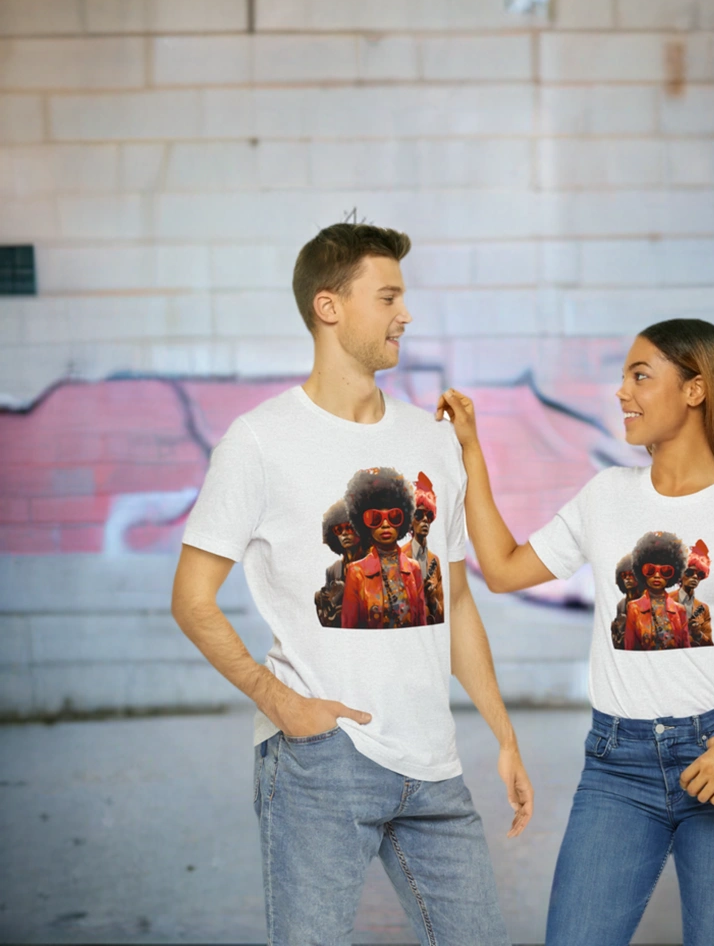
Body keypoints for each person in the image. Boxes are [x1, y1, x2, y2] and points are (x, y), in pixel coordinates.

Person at [437, 317, 714, 946]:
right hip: (617, 769)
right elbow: (500, 569)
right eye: (623, 377)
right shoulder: (606, 496)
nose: (621, 392)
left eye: (641, 375)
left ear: (695, 390)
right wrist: (470, 449)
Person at [171, 223, 532, 946]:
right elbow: (191, 598)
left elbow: (453, 598)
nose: (406, 314)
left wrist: (502, 732)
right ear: (329, 306)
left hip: (434, 763)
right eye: (389, 295)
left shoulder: (432, 440)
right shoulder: (261, 440)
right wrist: (287, 706)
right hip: (320, 762)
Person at [340, 466, 427, 629]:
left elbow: (422, 625)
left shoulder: (414, 569)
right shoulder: (356, 572)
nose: (385, 524)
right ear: (364, 524)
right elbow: (348, 629)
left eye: (394, 517)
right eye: (375, 518)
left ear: (404, 520)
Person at [623, 530, 691, 651]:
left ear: (674, 574)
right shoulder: (633, 608)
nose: (657, 575)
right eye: (650, 570)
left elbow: (686, 649)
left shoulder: (680, 610)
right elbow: (629, 649)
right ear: (641, 571)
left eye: (665, 571)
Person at [314, 498, 364, 627]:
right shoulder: (332, 570)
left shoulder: (370, 564)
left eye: (349, 527)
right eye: (338, 530)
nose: (344, 534)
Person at [404, 471, 445, 623]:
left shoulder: (435, 560)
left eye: (429, 515)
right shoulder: (398, 557)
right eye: (419, 515)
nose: (425, 520)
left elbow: (443, 616)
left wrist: (433, 600)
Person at [681, 538, 714, 647]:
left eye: (699, 574)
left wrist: (698, 634)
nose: (695, 577)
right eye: (689, 572)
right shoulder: (666, 601)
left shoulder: (703, 608)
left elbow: (709, 642)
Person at [609, 554, 641, 649]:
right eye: (624, 575)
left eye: (631, 574)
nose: (627, 578)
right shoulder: (621, 605)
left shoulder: (646, 601)